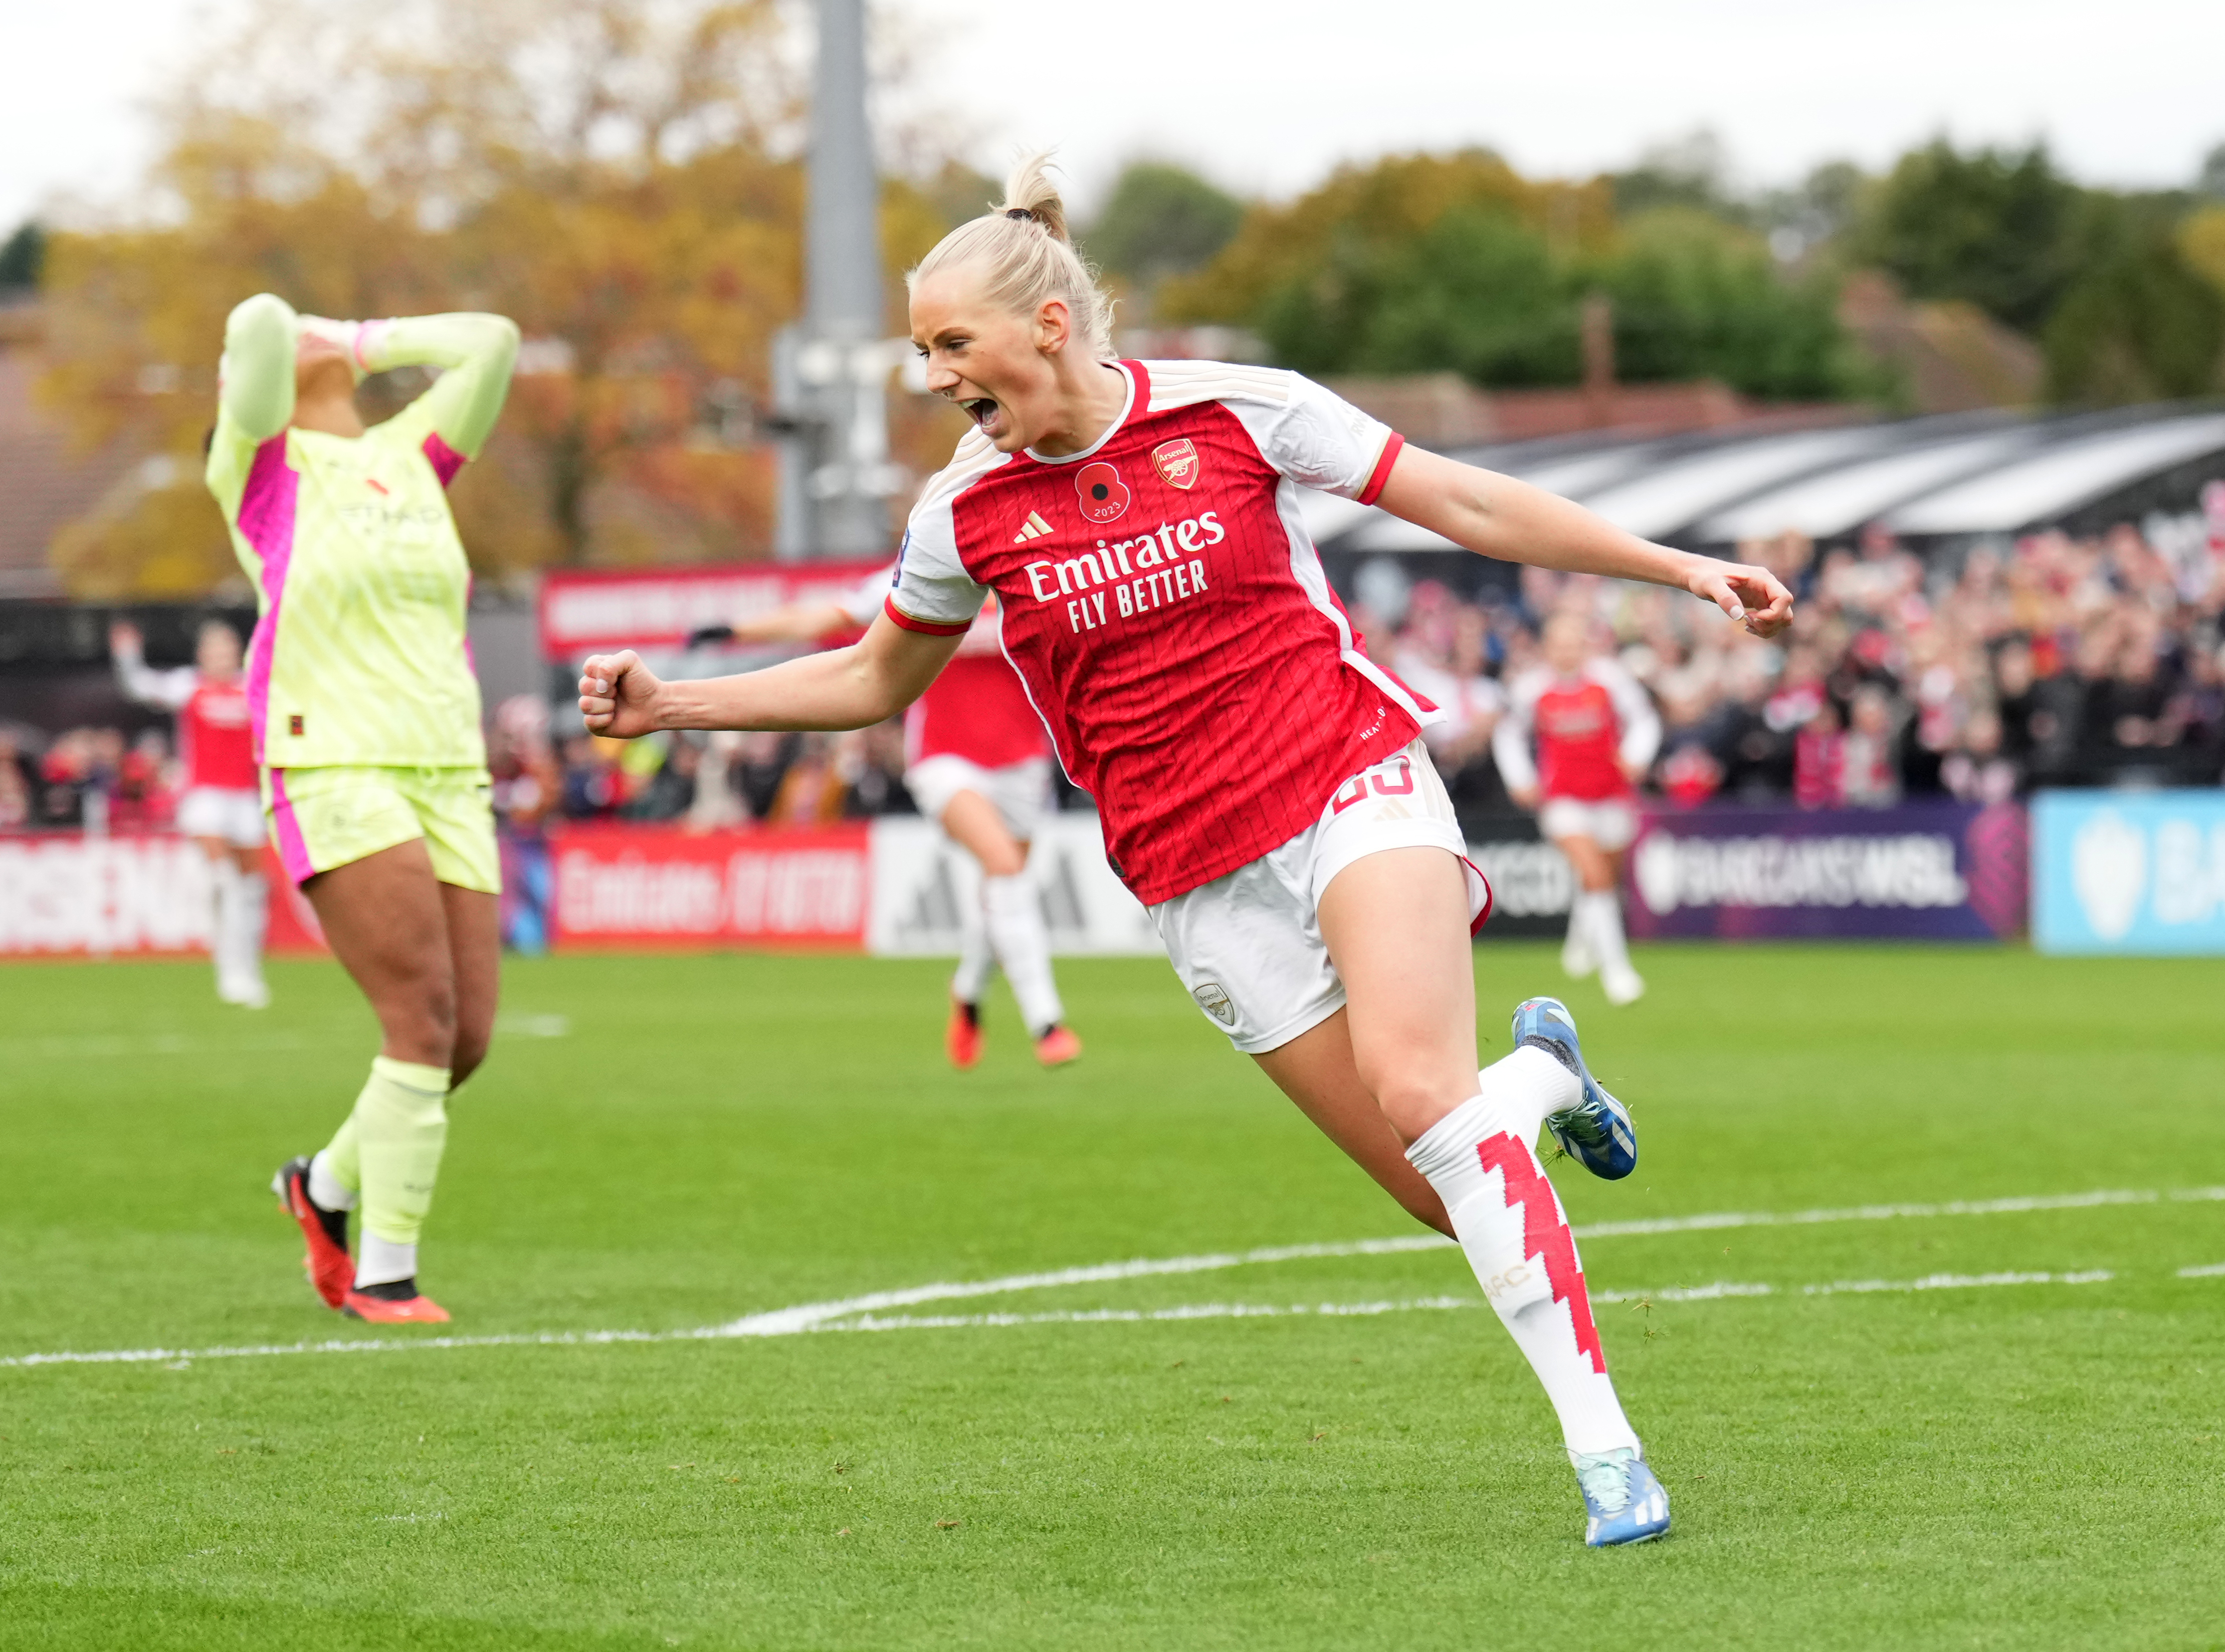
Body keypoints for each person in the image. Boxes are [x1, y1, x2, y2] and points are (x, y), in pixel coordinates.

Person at [577, 154, 1792, 1546]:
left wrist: (1678, 567)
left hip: (1343, 775)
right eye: (919, 351)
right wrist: (674, 704)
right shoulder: (958, 514)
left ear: (1044, 326)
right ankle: (1536, 1076)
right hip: (1191, 876)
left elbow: (1458, 502)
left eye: (947, 344)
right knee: (1434, 1185)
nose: (930, 377)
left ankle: (1607, 1459)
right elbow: (870, 681)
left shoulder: (1237, 411)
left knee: (1417, 1093)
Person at [205, 289, 519, 1325]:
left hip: (445, 765)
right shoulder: (257, 463)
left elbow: (491, 343)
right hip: (331, 761)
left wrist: (360, 341)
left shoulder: (410, 451)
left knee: (464, 1037)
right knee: (419, 1019)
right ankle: (386, 1270)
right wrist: (306, 334)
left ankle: (322, 1187)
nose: (308, 333)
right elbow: (254, 321)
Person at [699, 571, 1080, 1068]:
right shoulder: (928, 564)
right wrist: (736, 630)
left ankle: (966, 991)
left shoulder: (1031, 567)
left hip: (1023, 763)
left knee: (1002, 890)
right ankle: (1046, 1023)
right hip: (945, 759)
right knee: (1004, 867)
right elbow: (829, 613)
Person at [1497, 615, 1661, 1006]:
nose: (1566, 652)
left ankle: (1579, 943)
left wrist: (1636, 756)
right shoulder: (1530, 689)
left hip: (1611, 795)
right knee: (1595, 875)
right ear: (1546, 648)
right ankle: (1618, 972)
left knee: (1604, 878)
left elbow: (1644, 720)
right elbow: (1507, 735)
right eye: (1558, 644)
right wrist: (1519, 778)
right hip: (1563, 799)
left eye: (1572, 644)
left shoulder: (1610, 679)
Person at [112, 619, 270, 1006]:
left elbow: (292, 719)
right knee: (222, 880)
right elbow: (140, 686)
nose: (222, 657)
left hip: (246, 799)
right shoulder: (188, 685)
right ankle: (228, 972)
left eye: (228, 650)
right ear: (203, 655)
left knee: (252, 890)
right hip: (206, 797)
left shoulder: (255, 686)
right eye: (215, 650)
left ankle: (247, 970)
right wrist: (127, 654)